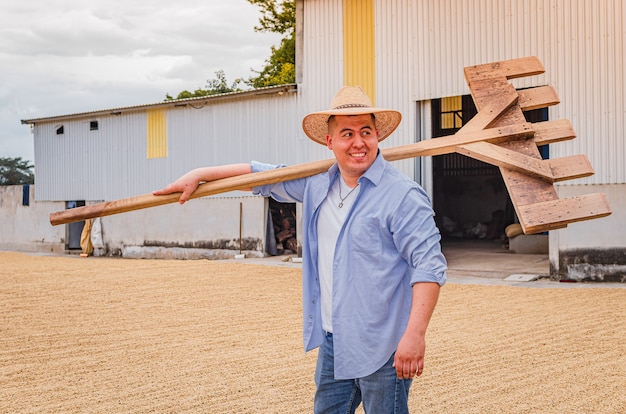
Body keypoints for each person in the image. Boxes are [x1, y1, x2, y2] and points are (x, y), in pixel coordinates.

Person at [153, 86, 447, 413]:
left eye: (366, 132)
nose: (358, 142)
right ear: (329, 141)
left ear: (378, 135)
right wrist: (199, 175)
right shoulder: (316, 183)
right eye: (347, 133)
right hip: (335, 340)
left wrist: (415, 335)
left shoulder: (403, 196)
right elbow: (261, 174)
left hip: (385, 345)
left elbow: (429, 267)